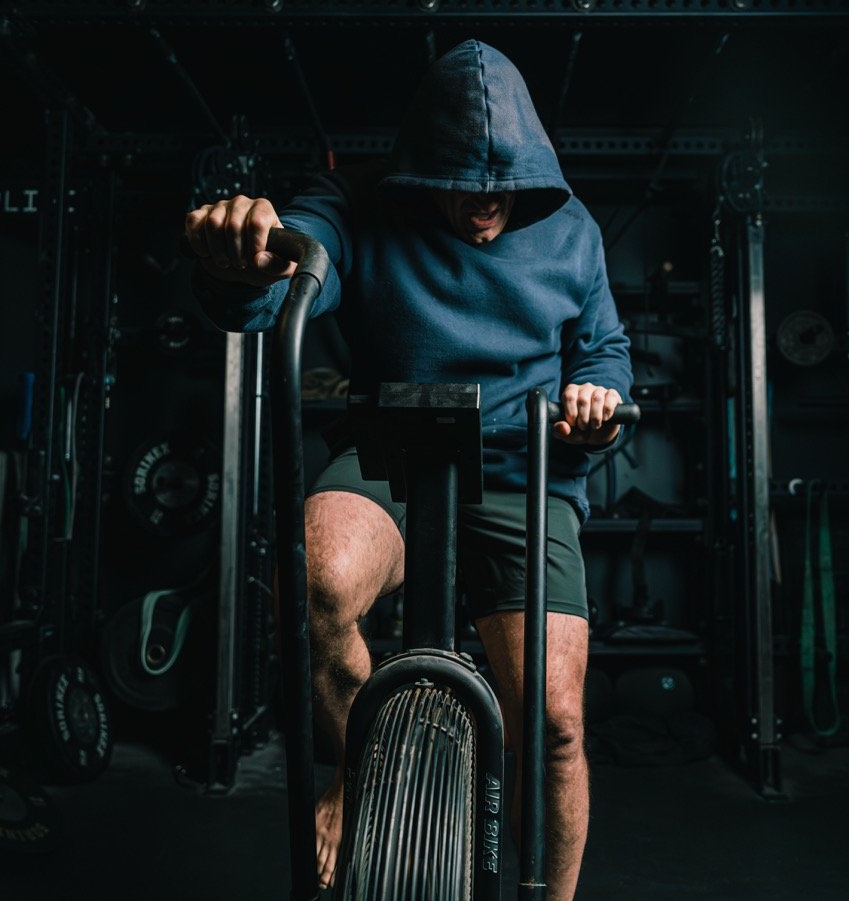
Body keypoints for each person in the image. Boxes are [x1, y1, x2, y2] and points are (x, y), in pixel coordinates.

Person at [185, 40, 632, 900]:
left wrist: (596, 400)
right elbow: (285, 274)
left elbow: (605, 353)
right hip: (394, 456)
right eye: (464, 191)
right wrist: (235, 264)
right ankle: (365, 766)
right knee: (311, 580)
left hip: (520, 464)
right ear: (423, 170)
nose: (484, 214)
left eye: (503, 195)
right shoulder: (355, 203)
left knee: (557, 722)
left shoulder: (572, 228)